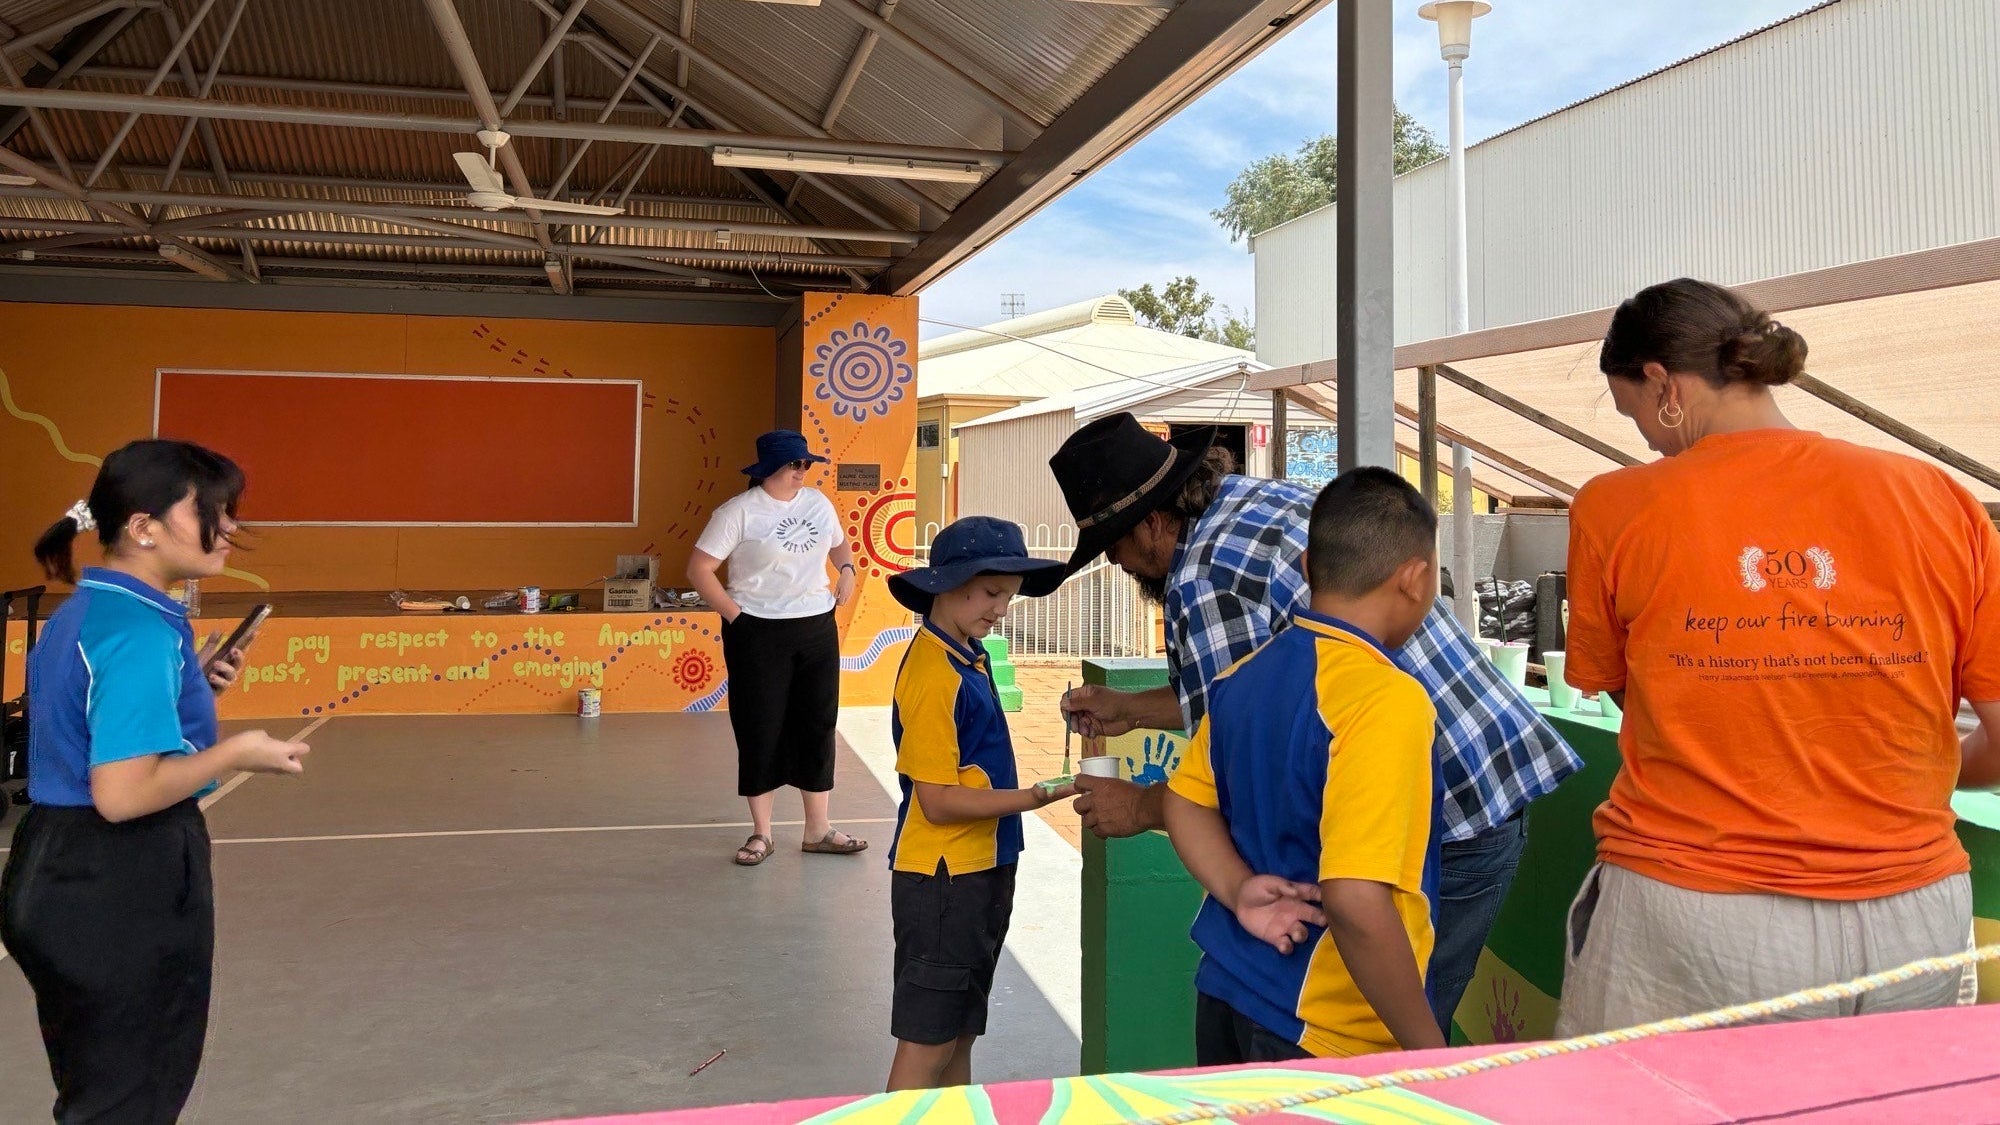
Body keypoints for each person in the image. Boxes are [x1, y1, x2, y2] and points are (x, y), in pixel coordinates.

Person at [1555, 279, 2000, 1033]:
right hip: (1914, 921)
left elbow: (1645, 704)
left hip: (1695, 908)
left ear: (1663, 383)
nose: (1650, 443)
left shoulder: (1616, 506)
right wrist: (1882, 771)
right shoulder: (1938, 497)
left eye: (1637, 416)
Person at [1051, 412, 1581, 1033]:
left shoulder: (1205, 580)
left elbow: (1233, 775)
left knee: (1390, 1033)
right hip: (1486, 762)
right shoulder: (1258, 501)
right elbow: (1255, 695)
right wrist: (1133, 708)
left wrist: (1139, 807)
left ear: (1150, 523)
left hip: (1445, 814)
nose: (1116, 563)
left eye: (1112, 544)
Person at [1, 439, 312, 1123]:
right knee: (129, 1102)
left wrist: (187, 690)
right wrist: (235, 754)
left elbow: (85, 723)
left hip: (54, 865)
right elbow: (123, 794)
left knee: (99, 1094)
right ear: (144, 526)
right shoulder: (138, 632)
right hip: (118, 881)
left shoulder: (88, 611)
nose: (227, 530)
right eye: (210, 512)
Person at [1165, 467, 1447, 1063]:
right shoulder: (1385, 700)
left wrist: (1238, 890)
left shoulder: (1243, 676)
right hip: (1324, 1030)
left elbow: (1183, 801)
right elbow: (1355, 899)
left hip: (1228, 989)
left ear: (1307, 568)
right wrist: (1428, 1051)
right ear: (1416, 580)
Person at [880, 516, 1072, 1090]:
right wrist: (1035, 796)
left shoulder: (967, 654)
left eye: (1009, 597)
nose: (1001, 610)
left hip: (981, 868)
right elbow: (937, 802)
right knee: (927, 1042)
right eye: (991, 593)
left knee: (958, 1033)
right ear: (948, 584)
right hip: (944, 880)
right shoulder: (933, 673)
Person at [689, 430, 867, 866]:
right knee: (760, 724)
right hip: (757, 630)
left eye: (806, 463)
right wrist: (737, 617)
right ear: (770, 468)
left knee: (818, 722)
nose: (802, 471)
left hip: (816, 626)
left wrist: (846, 568)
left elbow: (838, 543)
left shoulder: (818, 503)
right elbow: (699, 569)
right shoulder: (738, 512)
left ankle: (818, 829)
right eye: (794, 464)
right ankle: (762, 833)